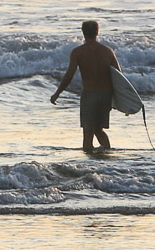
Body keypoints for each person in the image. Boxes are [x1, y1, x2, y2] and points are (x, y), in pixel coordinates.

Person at [51, 19, 120, 153]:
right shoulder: (108, 51)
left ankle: (89, 167)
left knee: (88, 132)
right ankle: (108, 159)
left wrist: (57, 93)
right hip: (106, 95)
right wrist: (118, 99)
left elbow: (69, 76)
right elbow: (119, 76)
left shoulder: (78, 52)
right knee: (98, 130)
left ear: (83, 33)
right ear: (97, 32)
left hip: (90, 95)